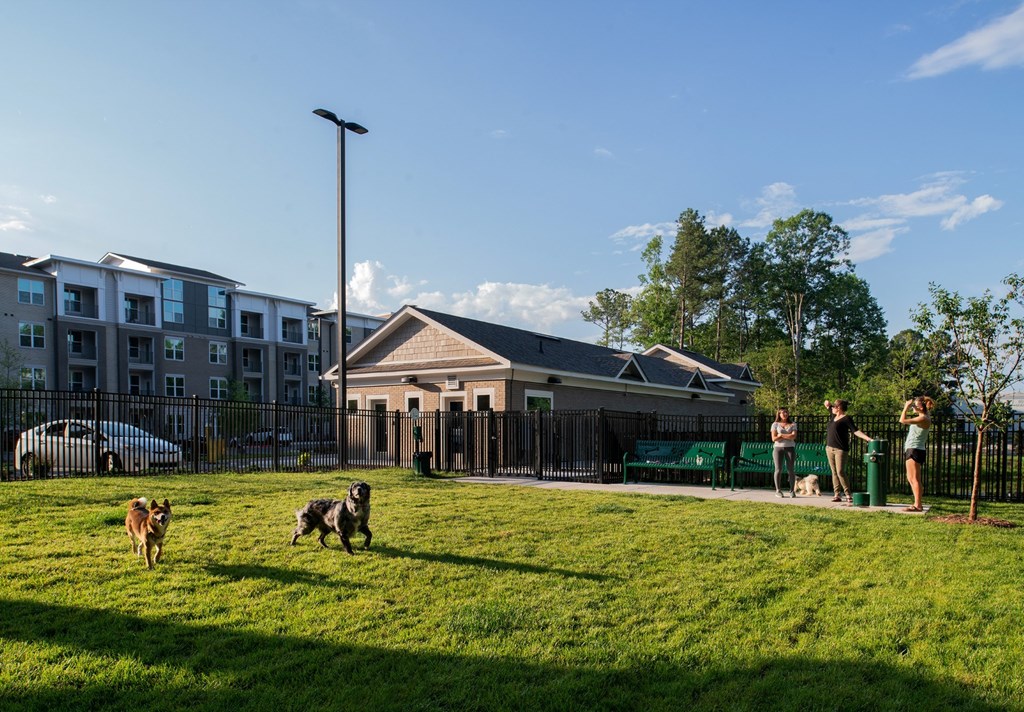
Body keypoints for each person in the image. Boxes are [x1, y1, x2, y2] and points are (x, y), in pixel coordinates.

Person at [823, 399, 873, 503]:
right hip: (829, 448)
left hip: (840, 449)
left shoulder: (846, 419)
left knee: (840, 471)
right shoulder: (833, 416)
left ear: (839, 408)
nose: (832, 408)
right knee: (834, 472)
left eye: (834, 407)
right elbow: (828, 406)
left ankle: (848, 494)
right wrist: (828, 404)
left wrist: (868, 439)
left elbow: (855, 431)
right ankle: (837, 494)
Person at [899, 396, 934, 512]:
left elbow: (902, 420)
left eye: (915, 405)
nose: (913, 407)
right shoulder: (923, 416)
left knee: (914, 479)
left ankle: (918, 505)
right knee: (912, 478)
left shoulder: (923, 418)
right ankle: (917, 503)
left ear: (921, 407)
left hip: (915, 449)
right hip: (914, 449)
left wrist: (905, 408)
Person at [771, 407, 797, 497]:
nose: (785, 414)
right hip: (778, 449)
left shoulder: (793, 424)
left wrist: (781, 435)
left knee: (791, 469)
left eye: (786, 412)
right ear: (779, 414)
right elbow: (774, 438)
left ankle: (792, 491)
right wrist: (788, 435)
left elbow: (793, 437)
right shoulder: (775, 424)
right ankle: (778, 490)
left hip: (790, 448)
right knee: (778, 469)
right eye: (782, 412)